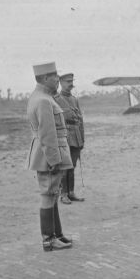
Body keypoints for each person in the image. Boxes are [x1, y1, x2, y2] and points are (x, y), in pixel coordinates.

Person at [26, 62, 74, 251]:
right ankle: (48, 239)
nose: (57, 80)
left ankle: (56, 234)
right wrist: (54, 160)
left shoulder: (40, 97)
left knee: (52, 194)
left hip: (46, 154)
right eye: (54, 76)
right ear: (45, 78)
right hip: (49, 155)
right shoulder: (44, 101)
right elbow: (47, 134)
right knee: (48, 195)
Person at [54, 73, 85, 204]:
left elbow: (80, 120)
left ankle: (71, 192)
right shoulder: (56, 99)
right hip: (65, 137)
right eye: (67, 81)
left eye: (71, 81)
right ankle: (63, 194)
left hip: (76, 136)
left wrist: (82, 139)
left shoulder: (74, 99)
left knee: (72, 166)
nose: (70, 84)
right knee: (64, 167)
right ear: (61, 82)